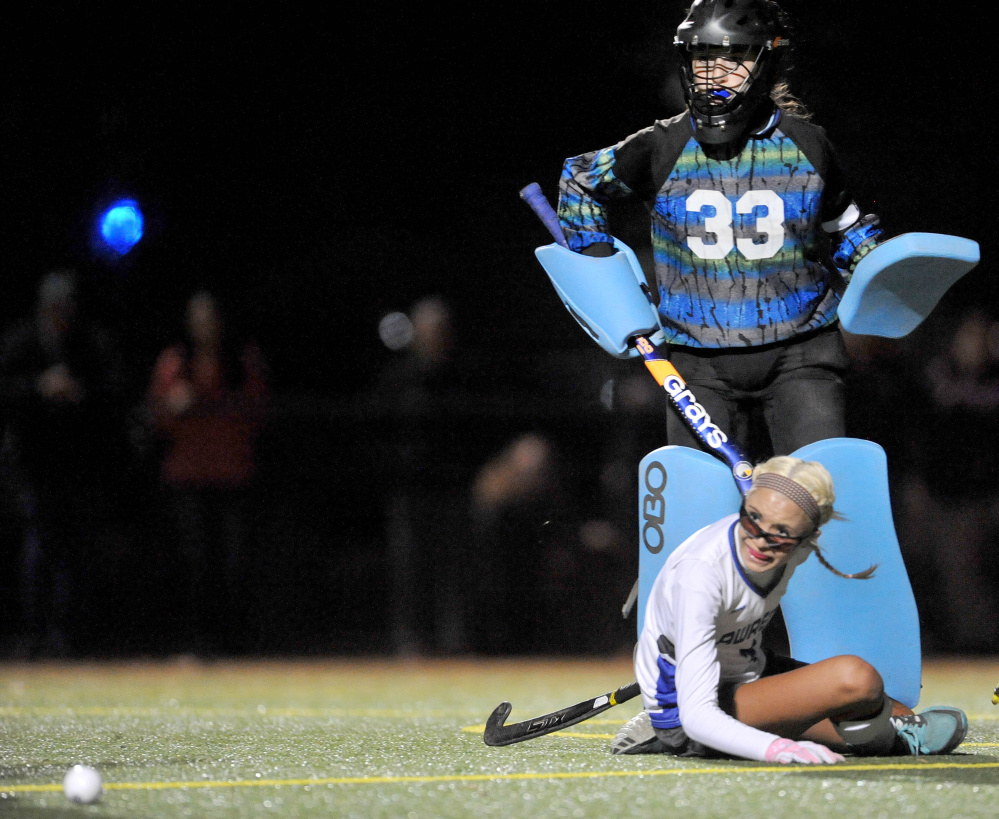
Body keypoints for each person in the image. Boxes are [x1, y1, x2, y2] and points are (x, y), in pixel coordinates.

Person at [557, 0, 882, 459]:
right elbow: (580, 180)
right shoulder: (661, 145)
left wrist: (880, 270)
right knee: (703, 509)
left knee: (816, 503)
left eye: (734, 59)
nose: (714, 74)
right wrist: (596, 265)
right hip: (697, 364)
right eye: (703, 58)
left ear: (766, 63)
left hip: (801, 356)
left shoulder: (808, 143)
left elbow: (847, 227)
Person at [610, 456, 967, 762]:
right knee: (855, 678)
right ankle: (659, 732)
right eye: (752, 518)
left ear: (808, 537)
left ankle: (884, 736)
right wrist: (775, 748)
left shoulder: (796, 549)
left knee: (892, 710)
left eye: (780, 532)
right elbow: (699, 715)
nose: (758, 540)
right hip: (690, 709)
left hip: (747, 671)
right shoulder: (701, 575)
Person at [0, 269, 127, 657]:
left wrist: (79, 392)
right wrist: (40, 386)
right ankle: (33, 632)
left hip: (80, 466)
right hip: (34, 466)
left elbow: (116, 389)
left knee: (79, 552)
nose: (61, 314)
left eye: (66, 306)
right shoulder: (21, 341)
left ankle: (69, 634)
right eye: (54, 307)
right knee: (39, 547)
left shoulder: (90, 342)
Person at [147, 290, 268, 655]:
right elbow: (157, 417)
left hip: (232, 474)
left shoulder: (242, 361)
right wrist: (174, 406)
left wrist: (218, 404)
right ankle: (196, 642)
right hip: (187, 476)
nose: (205, 325)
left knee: (235, 563)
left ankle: (237, 643)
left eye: (210, 317)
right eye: (197, 318)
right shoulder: (174, 362)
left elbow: (259, 412)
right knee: (194, 563)